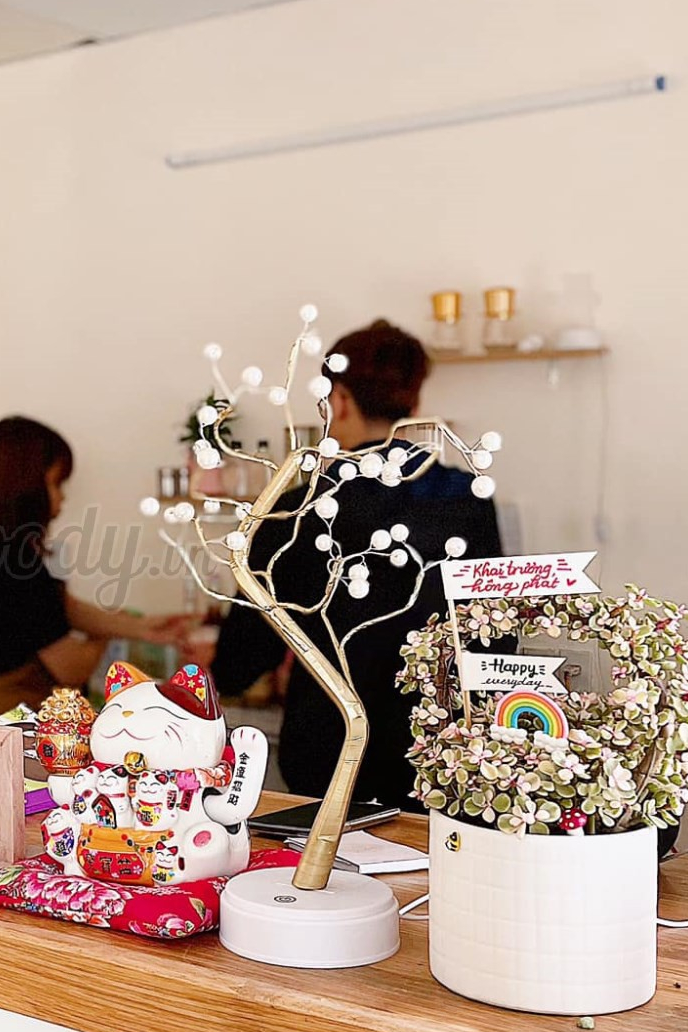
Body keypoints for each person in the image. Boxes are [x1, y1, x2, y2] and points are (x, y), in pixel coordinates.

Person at [211, 320, 500, 808]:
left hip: (329, 750)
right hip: (438, 751)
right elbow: (492, 630)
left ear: (339, 399)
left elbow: (243, 656)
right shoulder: (468, 500)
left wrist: (219, 670)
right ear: (413, 401)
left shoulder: (300, 508)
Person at [0, 415, 188, 717]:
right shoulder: (11, 563)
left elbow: (60, 609)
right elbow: (72, 668)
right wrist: (107, 635)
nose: (62, 496)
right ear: (27, 485)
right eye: (56, 483)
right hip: (6, 721)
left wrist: (142, 628)